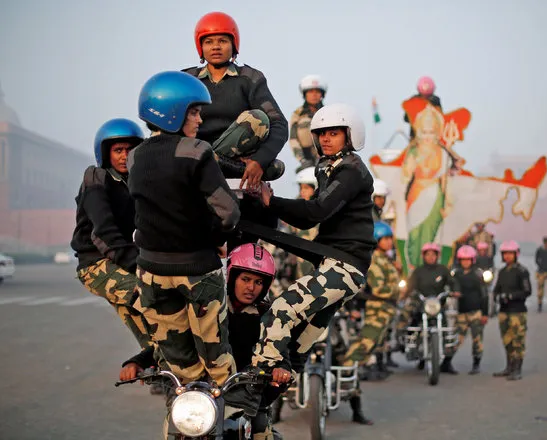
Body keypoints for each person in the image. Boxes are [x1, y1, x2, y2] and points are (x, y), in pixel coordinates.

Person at [224, 103, 375, 416]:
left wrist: (271, 200)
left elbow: (313, 215)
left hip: (345, 265)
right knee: (301, 341)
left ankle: (253, 386)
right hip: (330, 259)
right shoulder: (328, 167)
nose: (326, 139)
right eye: (321, 134)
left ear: (350, 135)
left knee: (281, 310)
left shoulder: (351, 170)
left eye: (334, 133)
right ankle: (266, 406)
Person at [128, 71, 241, 388]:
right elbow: (229, 212)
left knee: (180, 368)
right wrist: (216, 239)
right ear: (173, 112)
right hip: (197, 270)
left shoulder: (135, 156)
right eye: (194, 111)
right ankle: (226, 418)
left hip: (151, 272)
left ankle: (186, 429)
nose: (199, 120)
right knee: (217, 364)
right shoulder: (196, 151)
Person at [120, 243, 284, 440]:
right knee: (175, 430)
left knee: (259, 429)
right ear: (232, 277)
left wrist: (280, 370)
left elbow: (279, 350)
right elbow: (173, 341)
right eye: (245, 279)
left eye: (258, 282)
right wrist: (136, 363)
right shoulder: (209, 309)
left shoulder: (268, 317)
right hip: (198, 395)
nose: (251, 287)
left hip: (243, 395)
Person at [182, 11, 288, 249]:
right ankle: (225, 163)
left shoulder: (250, 78)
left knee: (260, 127)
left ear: (234, 44)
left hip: (236, 161)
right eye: (208, 41)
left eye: (222, 41)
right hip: (195, 157)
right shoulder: (187, 79)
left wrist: (259, 162)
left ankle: (235, 165)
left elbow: (279, 124)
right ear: (200, 46)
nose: (216, 47)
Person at [70, 118, 152, 351]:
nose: (124, 156)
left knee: (143, 321)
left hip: (119, 258)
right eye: (118, 150)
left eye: (130, 150)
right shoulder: (96, 178)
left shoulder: (135, 183)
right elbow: (103, 232)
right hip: (95, 263)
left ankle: (158, 367)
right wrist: (140, 266)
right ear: (106, 154)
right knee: (149, 297)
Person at [343, 221, 400, 384]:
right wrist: (398, 290)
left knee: (376, 342)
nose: (389, 241)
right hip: (378, 307)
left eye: (390, 238)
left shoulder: (385, 259)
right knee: (366, 342)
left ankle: (355, 370)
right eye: (385, 238)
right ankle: (345, 371)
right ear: (376, 240)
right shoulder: (375, 260)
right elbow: (379, 289)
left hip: (386, 307)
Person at [442, 245, 488, 375]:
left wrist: (484, 313)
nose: (465, 262)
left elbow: (484, 295)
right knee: (456, 339)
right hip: (460, 312)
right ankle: (446, 363)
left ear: (473, 260)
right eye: (463, 259)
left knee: (477, 340)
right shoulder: (455, 274)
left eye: (468, 259)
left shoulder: (478, 275)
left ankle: (476, 364)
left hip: (476, 312)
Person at [396, 243, 460, 334]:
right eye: (428, 254)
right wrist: (404, 294)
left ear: (437, 256)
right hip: (420, 302)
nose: (431, 257)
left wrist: (456, 291)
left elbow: (452, 282)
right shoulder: (418, 271)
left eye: (433, 254)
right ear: (423, 256)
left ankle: (446, 340)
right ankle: (404, 336)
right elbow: (410, 285)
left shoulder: (443, 269)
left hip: (438, 303)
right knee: (405, 314)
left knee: (447, 319)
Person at [492, 240, 531, 381]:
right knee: (507, 340)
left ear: (516, 254)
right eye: (505, 254)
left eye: (510, 253)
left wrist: (511, 296)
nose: (508, 256)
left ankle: (517, 369)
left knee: (517, 341)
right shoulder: (502, 272)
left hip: (517, 311)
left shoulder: (522, 271)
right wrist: (495, 297)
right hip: (504, 311)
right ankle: (509, 367)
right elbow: (496, 289)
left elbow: (527, 291)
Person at [289, 74, 327, 170]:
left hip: (326, 160)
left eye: (317, 91)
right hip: (306, 161)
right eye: (310, 91)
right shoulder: (297, 115)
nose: (314, 94)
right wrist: (302, 160)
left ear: (322, 94)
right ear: (305, 94)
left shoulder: (328, 113)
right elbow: (293, 139)